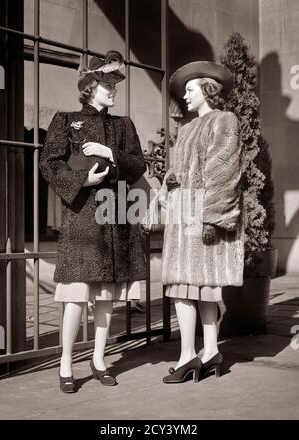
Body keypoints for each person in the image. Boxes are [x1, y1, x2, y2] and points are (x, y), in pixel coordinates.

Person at [40, 50, 146, 393]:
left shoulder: (123, 125)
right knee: (74, 296)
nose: (113, 89)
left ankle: (99, 359)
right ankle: (66, 362)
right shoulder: (65, 120)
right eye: (106, 83)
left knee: (105, 297)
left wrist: (109, 154)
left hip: (115, 217)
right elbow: (49, 164)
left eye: (115, 83)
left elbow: (138, 166)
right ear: (90, 86)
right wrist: (82, 182)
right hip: (82, 218)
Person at [159, 61, 244, 383]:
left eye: (190, 89)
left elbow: (224, 170)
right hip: (184, 216)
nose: (185, 95)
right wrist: (170, 183)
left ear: (208, 89)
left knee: (195, 288)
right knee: (191, 287)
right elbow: (178, 169)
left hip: (203, 217)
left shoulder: (224, 120)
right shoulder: (187, 128)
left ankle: (193, 355)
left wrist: (214, 218)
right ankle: (207, 353)